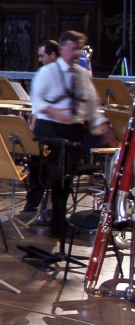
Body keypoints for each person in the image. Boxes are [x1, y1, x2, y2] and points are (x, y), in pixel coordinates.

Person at [30, 30, 115, 239]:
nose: (77, 53)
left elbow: (92, 105)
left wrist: (102, 125)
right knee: (58, 175)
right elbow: (37, 101)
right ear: (62, 48)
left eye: (79, 49)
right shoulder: (47, 72)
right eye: (73, 48)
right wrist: (54, 112)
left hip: (73, 130)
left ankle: (60, 222)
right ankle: (52, 220)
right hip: (51, 129)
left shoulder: (82, 74)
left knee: (67, 178)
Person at [24, 40, 60, 212]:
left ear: (53, 55)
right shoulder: (42, 73)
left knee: (53, 166)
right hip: (42, 125)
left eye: (42, 56)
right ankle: (33, 200)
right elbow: (36, 100)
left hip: (56, 127)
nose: (39, 59)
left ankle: (54, 207)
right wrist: (33, 121)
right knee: (36, 163)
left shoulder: (63, 74)